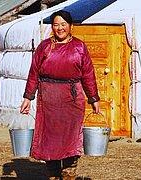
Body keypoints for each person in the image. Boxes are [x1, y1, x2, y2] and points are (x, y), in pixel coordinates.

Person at [20, 10, 100, 180]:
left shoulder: (79, 47)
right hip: (49, 98)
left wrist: (93, 98)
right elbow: (34, 72)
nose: (60, 28)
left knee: (71, 137)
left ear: (71, 26)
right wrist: (28, 97)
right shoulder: (44, 46)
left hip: (72, 99)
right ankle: (53, 175)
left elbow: (88, 74)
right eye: (56, 24)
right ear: (52, 27)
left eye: (63, 24)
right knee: (51, 138)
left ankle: (69, 174)